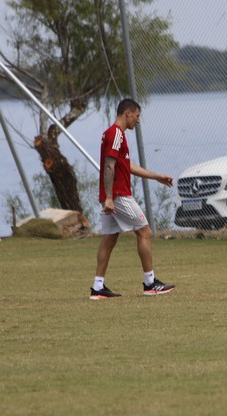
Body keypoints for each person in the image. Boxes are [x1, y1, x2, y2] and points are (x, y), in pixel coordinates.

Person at [89, 98, 175, 300]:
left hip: (112, 195)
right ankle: (150, 283)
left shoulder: (112, 135)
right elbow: (109, 165)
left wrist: (157, 177)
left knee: (109, 238)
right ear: (127, 113)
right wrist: (110, 198)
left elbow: (126, 167)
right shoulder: (116, 134)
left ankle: (98, 287)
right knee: (145, 232)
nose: (138, 120)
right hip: (118, 196)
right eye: (137, 116)